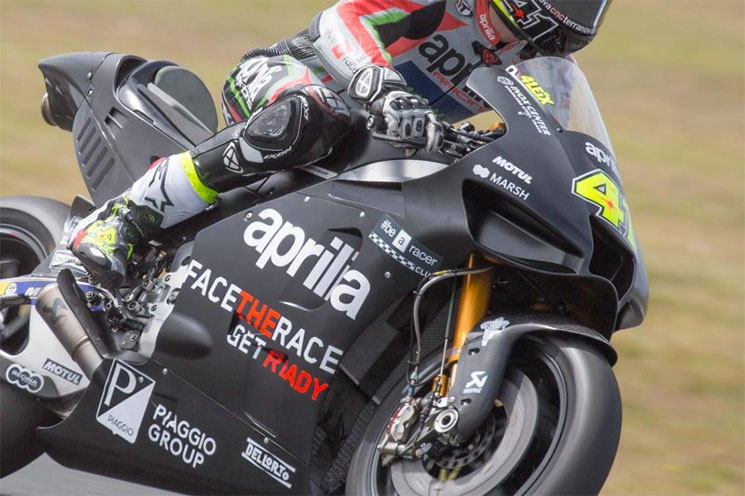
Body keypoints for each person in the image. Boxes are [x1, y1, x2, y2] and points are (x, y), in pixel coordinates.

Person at [71, 0, 611, 288]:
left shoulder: (545, 66)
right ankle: (124, 218)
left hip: (381, 139)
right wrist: (382, 86)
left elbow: (553, 141)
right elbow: (343, 21)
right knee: (313, 114)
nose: (580, 8)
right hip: (292, 77)